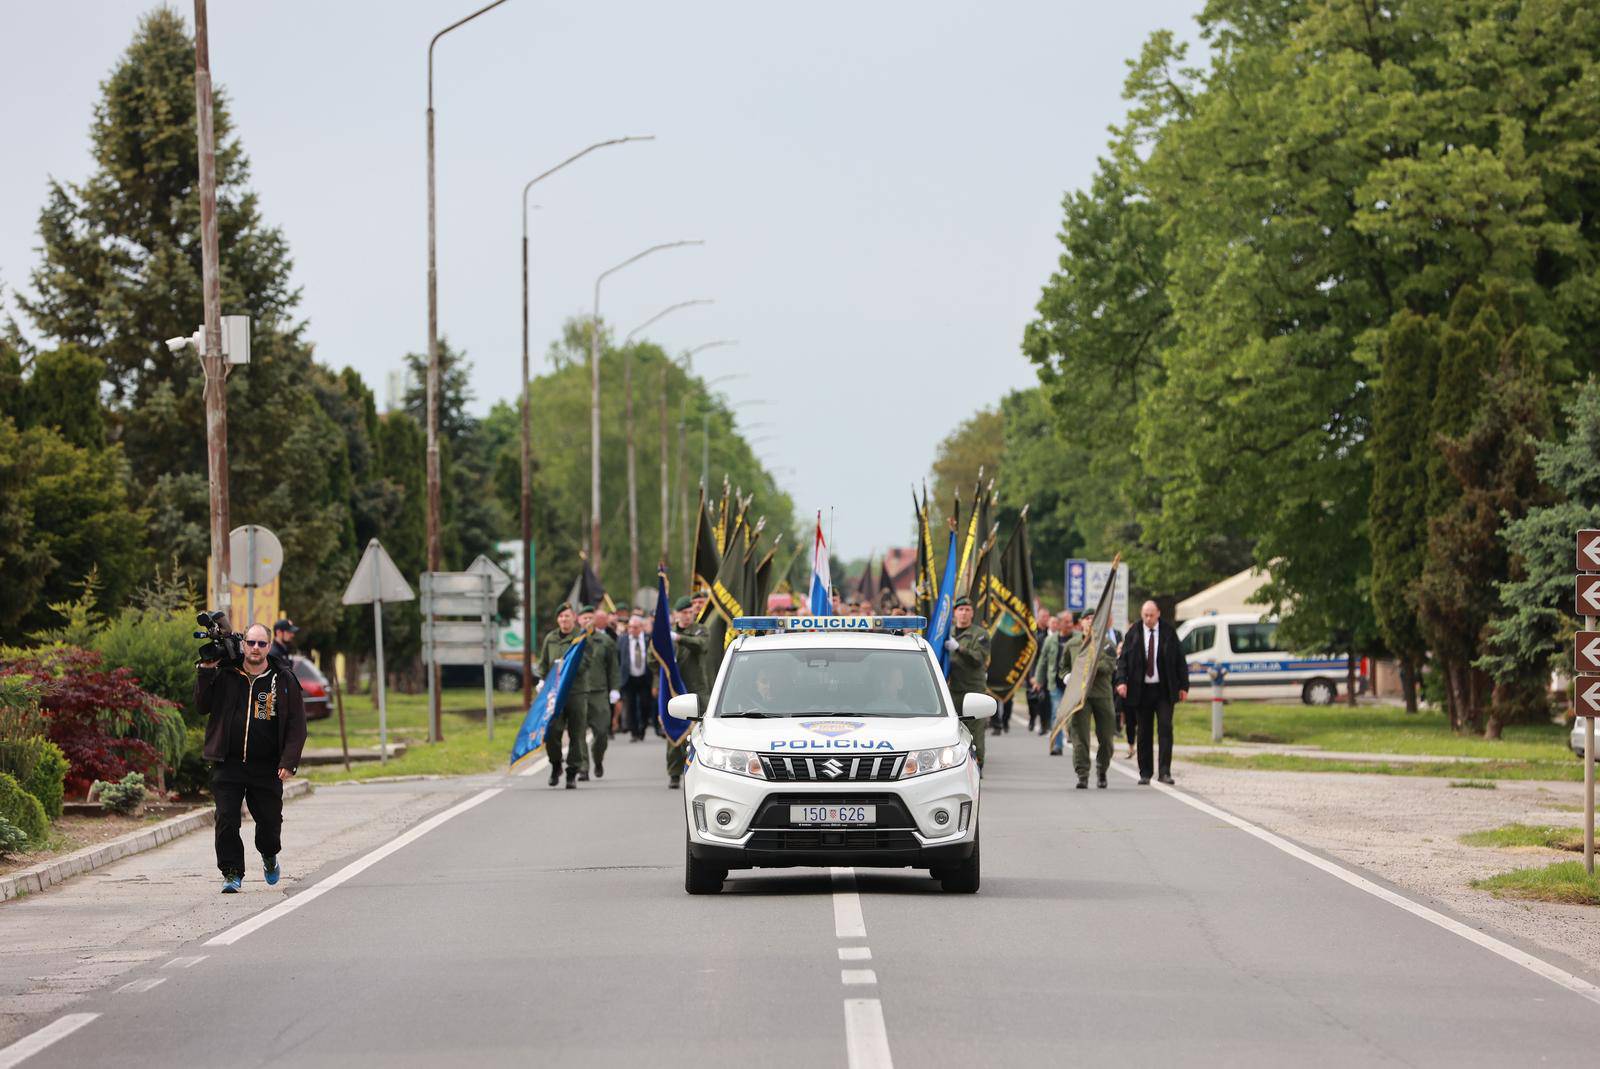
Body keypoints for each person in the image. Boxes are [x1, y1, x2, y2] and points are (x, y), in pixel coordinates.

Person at [194, 622, 307, 893]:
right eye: (251, 642)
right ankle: (232, 872)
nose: (255, 648)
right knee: (226, 819)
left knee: (269, 823)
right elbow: (202, 705)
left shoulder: (282, 679)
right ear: (243, 644)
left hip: (266, 766)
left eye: (261, 643)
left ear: (269, 647)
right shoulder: (224, 673)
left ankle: (269, 855)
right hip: (227, 761)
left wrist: (288, 761)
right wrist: (206, 672)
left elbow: (296, 725)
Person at [1115, 600, 1188, 785]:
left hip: (1163, 689)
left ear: (1158, 614)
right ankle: (1145, 772)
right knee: (1144, 732)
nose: (1148, 619)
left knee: (1165, 728)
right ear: (1141, 615)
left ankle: (1165, 771)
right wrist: (1121, 682)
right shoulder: (1134, 632)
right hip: (1141, 689)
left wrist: (1183, 686)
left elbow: (1180, 659)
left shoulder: (1168, 632)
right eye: (1145, 615)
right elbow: (1123, 660)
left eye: (1151, 615)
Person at [1063, 611, 1118, 789]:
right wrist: (1067, 676)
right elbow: (1062, 667)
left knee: (1107, 737)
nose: (1090, 622)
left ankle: (1102, 770)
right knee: (1080, 737)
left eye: (1094, 619)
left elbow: (1108, 666)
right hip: (1080, 697)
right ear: (1081, 623)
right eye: (1087, 619)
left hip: (1102, 695)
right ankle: (1082, 774)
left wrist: (1088, 663)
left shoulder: (1107, 644)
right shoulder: (1072, 644)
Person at [535, 603, 586, 788]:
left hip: (576, 692)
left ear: (574, 618)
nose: (564, 620)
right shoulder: (551, 638)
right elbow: (543, 663)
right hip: (555, 694)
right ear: (558, 620)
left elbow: (587, 663)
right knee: (552, 732)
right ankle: (556, 764)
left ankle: (572, 772)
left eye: (567, 616)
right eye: (561, 617)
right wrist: (541, 680)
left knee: (576, 734)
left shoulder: (581, 638)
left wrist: (568, 667)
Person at [574, 604, 621, 782]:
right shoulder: (573, 641)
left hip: (599, 692)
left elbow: (614, 668)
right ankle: (583, 768)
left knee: (601, 732)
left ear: (595, 620)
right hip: (578, 692)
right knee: (578, 732)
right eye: (583, 618)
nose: (586, 621)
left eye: (589, 618)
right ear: (578, 620)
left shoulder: (605, 641)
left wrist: (615, 689)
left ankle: (598, 759)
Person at [944, 596, 992, 769]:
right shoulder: (947, 633)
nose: (963, 613)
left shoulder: (980, 634)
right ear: (955, 612)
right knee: (952, 730)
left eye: (967, 610)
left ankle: (978, 765)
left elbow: (979, 658)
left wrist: (959, 648)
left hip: (973, 690)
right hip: (951, 689)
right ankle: (953, 766)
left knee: (975, 731)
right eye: (960, 609)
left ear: (972, 613)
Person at [670, 595, 708, 789]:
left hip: (697, 688)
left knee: (701, 732)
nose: (687, 616)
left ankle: (702, 769)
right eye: (683, 613)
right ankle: (674, 773)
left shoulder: (700, 630)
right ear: (676, 614)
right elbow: (655, 660)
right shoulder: (667, 633)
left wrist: (679, 638)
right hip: (675, 689)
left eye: (689, 612)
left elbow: (701, 645)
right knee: (675, 730)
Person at [620, 614, 654, 741]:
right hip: (629, 678)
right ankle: (634, 732)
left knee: (645, 705)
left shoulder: (648, 639)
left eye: (635, 627)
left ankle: (642, 728)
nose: (632, 630)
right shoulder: (623, 640)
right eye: (630, 627)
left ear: (641, 627)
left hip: (645, 677)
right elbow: (619, 658)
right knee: (630, 705)